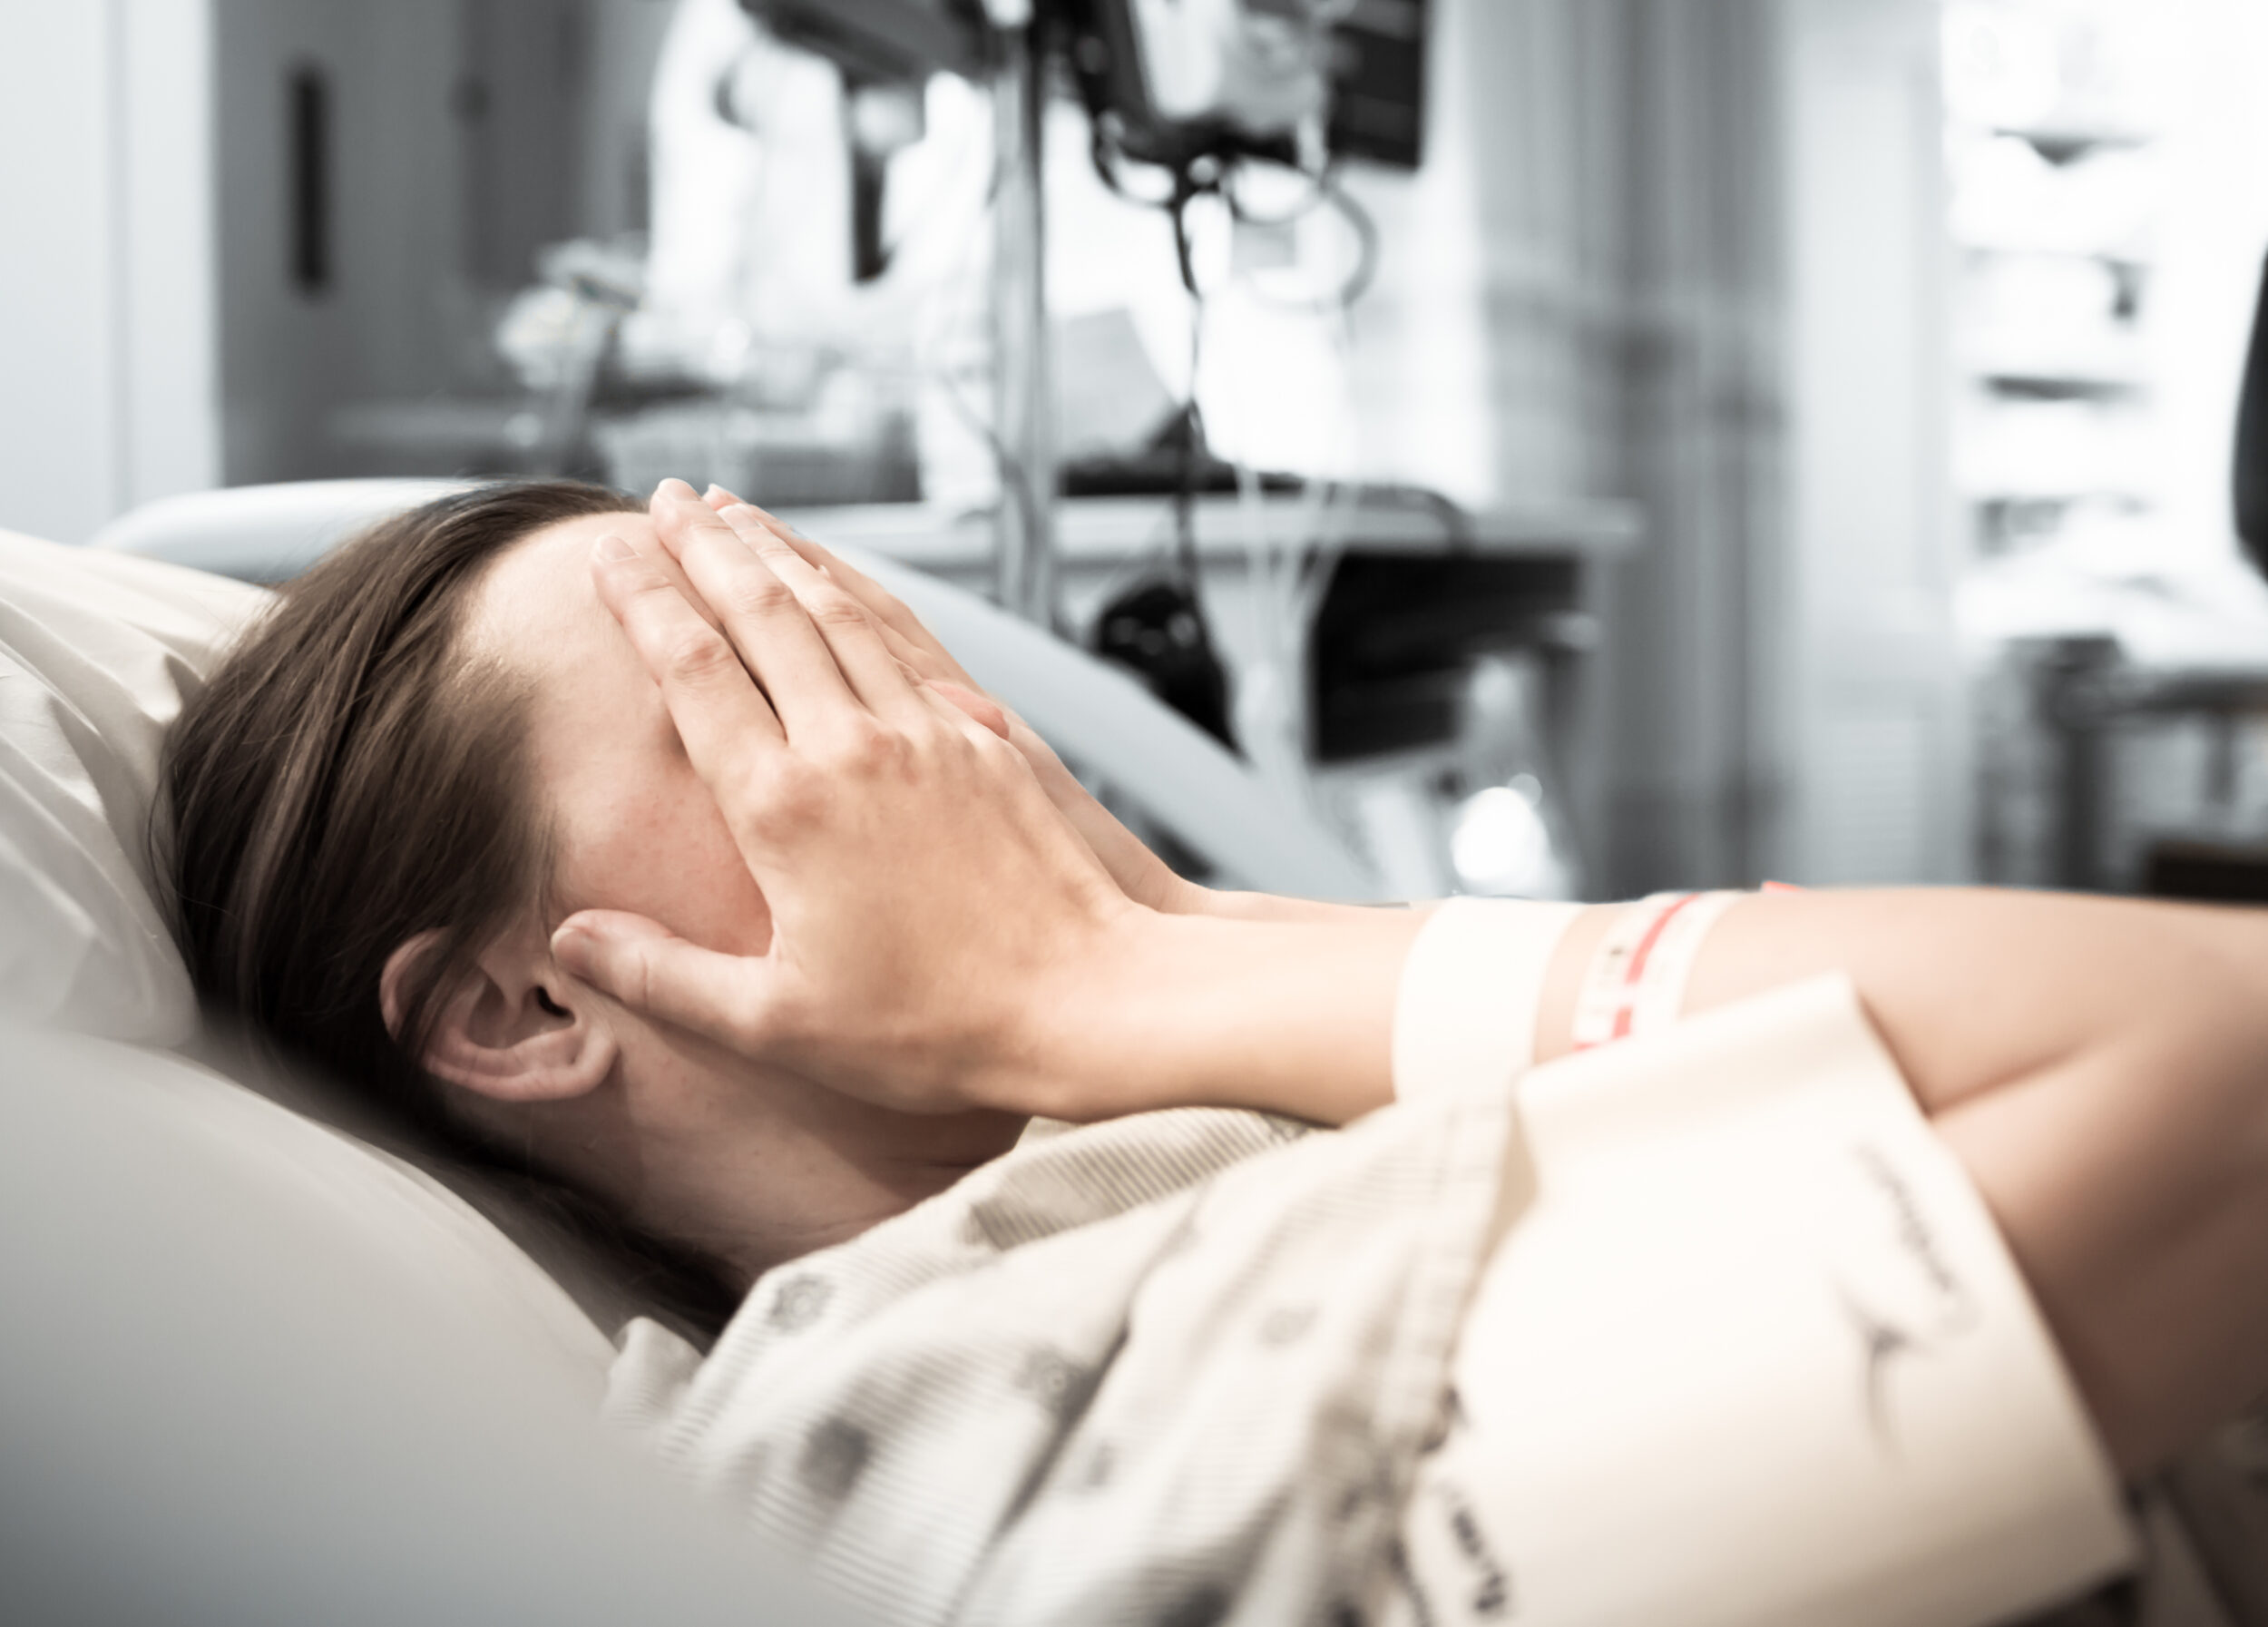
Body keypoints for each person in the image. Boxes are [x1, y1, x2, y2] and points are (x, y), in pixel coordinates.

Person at [166, 477, 2268, 1624]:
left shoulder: (1230, 1107)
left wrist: (1174, 937)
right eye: (757, 683)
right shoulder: (972, 1439)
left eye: (862, 636)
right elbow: (2226, 1072)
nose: (936, 735)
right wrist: (1103, 969)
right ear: (524, 1015)